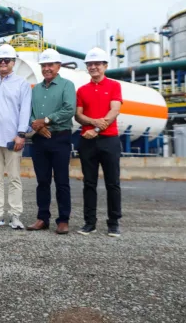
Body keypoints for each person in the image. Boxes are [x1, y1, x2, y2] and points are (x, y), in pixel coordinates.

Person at [0, 44, 31, 230]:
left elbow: (25, 110)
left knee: (15, 178)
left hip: (13, 140)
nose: (3, 63)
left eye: (6, 60)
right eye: (0, 60)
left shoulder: (22, 84)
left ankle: (15, 215)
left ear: (13, 62)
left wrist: (21, 134)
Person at [26, 49, 77, 235]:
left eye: (50, 65)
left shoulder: (67, 85)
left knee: (62, 181)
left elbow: (69, 109)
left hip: (60, 138)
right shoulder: (36, 89)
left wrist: (45, 120)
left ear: (58, 66)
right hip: (40, 139)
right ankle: (42, 218)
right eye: (44, 65)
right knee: (42, 181)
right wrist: (37, 126)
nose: (47, 69)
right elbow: (29, 112)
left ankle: (63, 220)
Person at [75, 47, 123, 238]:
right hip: (87, 142)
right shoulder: (82, 90)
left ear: (105, 66)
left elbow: (115, 110)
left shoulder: (114, 86)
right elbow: (78, 115)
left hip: (109, 139)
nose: (93, 67)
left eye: (97, 64)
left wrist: (96, 128)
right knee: (89, 183)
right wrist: (92, 123)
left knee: (113, 183)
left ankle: (113, 223)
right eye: (90, 64)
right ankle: (89, 223)